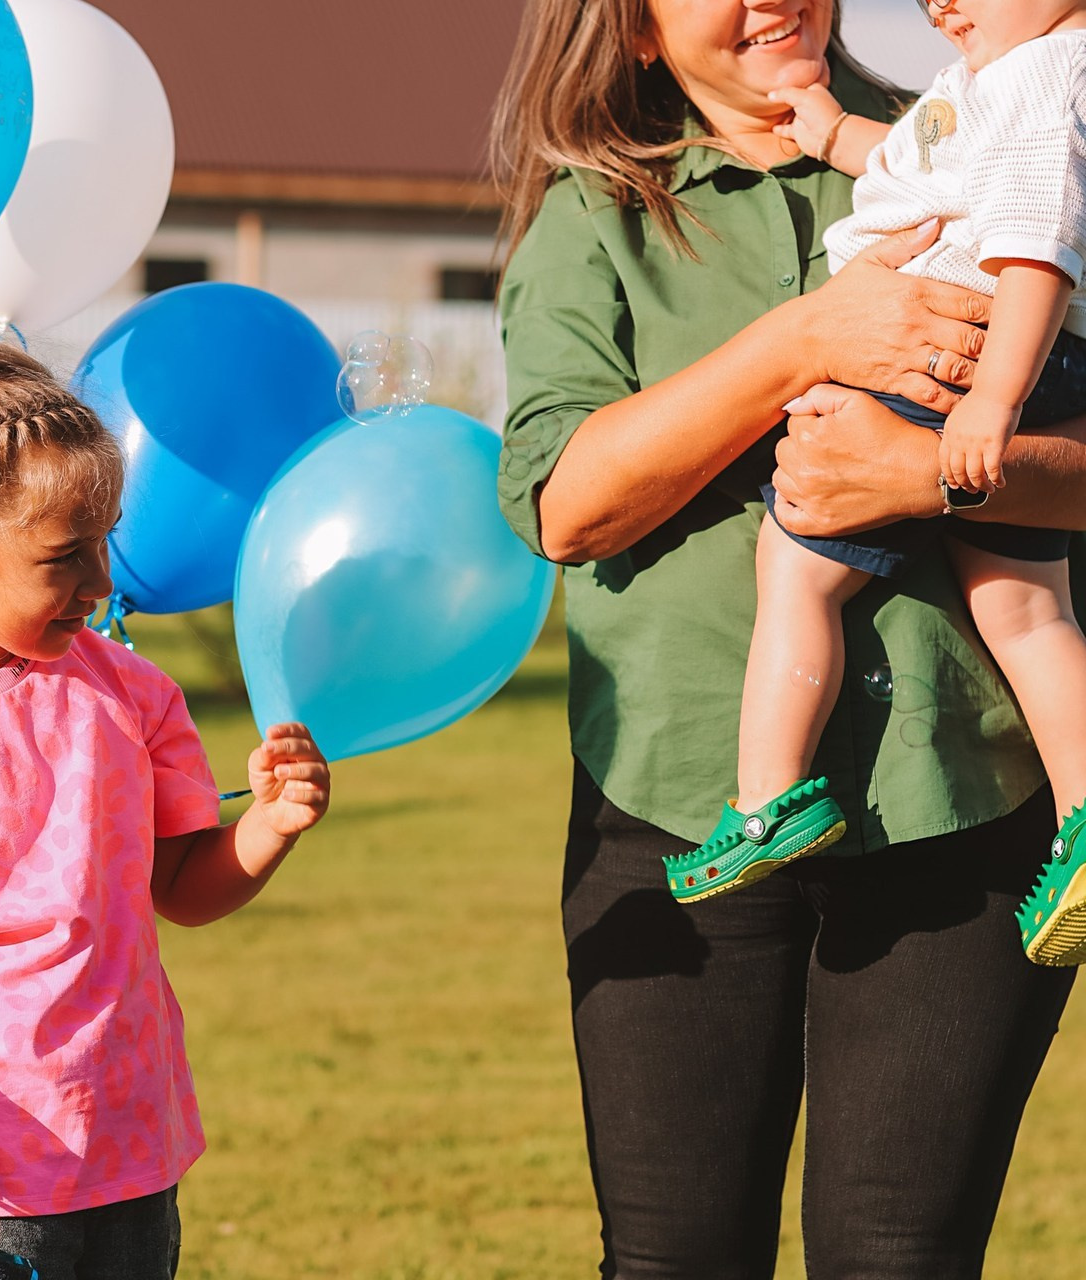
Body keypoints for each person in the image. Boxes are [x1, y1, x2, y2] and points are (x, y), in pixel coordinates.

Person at [491, 0, 1086, 1274]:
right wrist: (802, 340)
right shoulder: (592, 217)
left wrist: (930, 475)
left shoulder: (993, 122)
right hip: (673, 801)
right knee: (673, 1255)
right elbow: (565, 504)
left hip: (961, 810)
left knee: (897, 1255)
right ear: (638, 30)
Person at [0, 341, 331, 1280]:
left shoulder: (126, 691)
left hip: (131, 1150)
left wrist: (265, 830)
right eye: (63, 556)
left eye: (105, 542)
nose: (98, 582)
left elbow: (179, 884)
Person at [676, 0, 1086, 970]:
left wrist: (991, 398)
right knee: (1025, 610)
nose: (939, 3)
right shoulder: (1008, 72)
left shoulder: (1040, 74)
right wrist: (836, 134)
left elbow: (1034, 248)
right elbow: (933, 164)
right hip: (1002, 353)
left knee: (798, 559)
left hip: (962, 349)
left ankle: (767, 794)